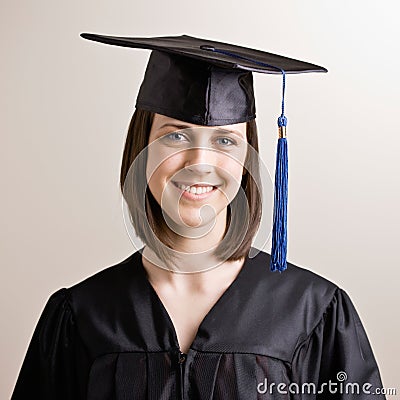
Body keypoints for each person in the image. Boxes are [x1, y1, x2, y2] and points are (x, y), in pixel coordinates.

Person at [11, 34, 386, 400]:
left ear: (246, 160)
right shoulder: (80, 316)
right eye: (175, 137)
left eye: (225, 140)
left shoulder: (315, 312)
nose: (200, 163)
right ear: (142, 149)